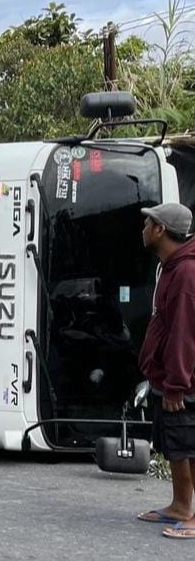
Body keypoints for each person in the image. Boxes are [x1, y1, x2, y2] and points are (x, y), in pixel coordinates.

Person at [135, 202, 195, 539]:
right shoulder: (170, 267)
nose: (143, 229)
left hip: (184, 383)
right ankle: (181, 506)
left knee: (189, 446)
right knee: (175, 445)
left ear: (160, 230)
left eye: (148, 223)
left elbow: (185, 334)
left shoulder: (186, 273)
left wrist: (176, 384)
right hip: (168, 378)